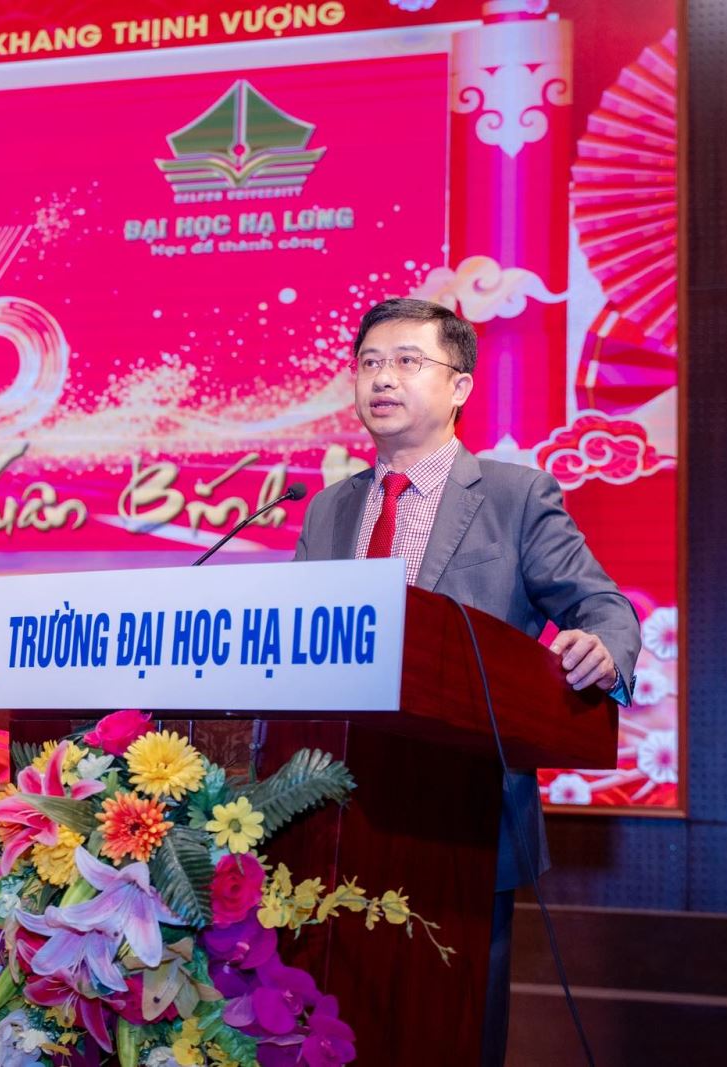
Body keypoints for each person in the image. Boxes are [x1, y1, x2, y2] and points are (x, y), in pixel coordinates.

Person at [292, 297, 640, 1067]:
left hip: (465, 820)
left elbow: (602, 606)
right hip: (330, 820)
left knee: (455, 1037)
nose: (383, 378)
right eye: (370, 362)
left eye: (407, 361)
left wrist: (604, 649)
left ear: (460, 386)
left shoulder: (516, 496)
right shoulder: (327, 508)